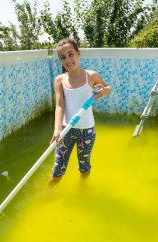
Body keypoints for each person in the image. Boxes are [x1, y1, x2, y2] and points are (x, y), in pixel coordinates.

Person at [50, 38, 111, 184]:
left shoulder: (91, 76)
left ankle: (83, 189)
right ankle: (49, 193)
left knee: (84, 167)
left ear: (78, 53)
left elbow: (108, 89)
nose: (68, 60)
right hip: (66, 131)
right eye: (63, 57)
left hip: (87, 131)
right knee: (58, 169)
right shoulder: (60, 80)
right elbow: (59, 106)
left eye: (71, 54)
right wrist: (57, 130)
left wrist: (103, 91)